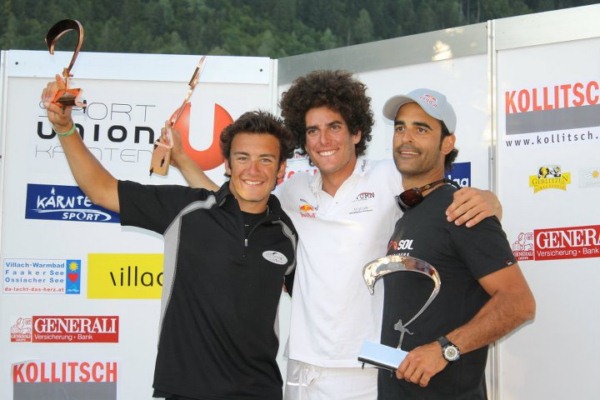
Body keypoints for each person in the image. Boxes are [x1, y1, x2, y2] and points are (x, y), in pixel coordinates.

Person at [169, 70, 503, 400]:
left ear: (356, 132)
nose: (323, 140)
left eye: (334, 127)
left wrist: (490, 201)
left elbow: (443, 196)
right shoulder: (293, 190)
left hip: (366, 368)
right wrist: (183, 161)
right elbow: (232, 204)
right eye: (312, 131)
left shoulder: (389, 176)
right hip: (302, 367)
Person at [41, 74, 298, 400]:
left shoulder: (288, 233)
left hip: (261, 392)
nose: (253, 170)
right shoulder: (186, 210)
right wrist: (65, 128)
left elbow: (315, 301)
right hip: (186, 391)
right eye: (242, 158)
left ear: (281, 169)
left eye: (266, 160)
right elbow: (101, 189)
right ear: (228, 165)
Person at [378, 88, 536, 399]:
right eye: (400, 127)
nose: (406, 138)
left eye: (421, 129)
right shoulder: (408, 213)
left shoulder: (462, 209)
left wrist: (445, 349)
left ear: (447, 143)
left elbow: (520, 303)